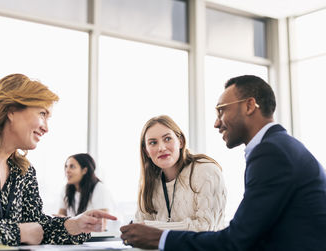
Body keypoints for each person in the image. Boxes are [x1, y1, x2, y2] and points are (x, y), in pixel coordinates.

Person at [120, 75, 326, 250]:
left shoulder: (271, 153)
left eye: (221, 110)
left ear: (249, 106)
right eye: (152, 143)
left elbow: (237, 239)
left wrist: (158, 237)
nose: (216, 122)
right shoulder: (277, 147)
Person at [0, 73, 116, 246]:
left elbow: (36, 227)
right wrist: (18, 232)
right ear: (12, 110)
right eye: (42, 114)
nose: (46, 128)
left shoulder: (23, 170)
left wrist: (73, 225)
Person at [134, 115, 226, 231]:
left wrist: (152, 227)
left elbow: (206, 227)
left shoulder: (206, 171)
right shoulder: (148, 181)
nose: (161, 148)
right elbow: (140, 229)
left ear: (181, 141)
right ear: (146, 151)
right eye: (153, 143)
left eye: (167, 139)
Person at [56, 153, 114, 223]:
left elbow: (101, 224)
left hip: (96, 234)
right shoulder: (65, 189)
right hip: (75, 233)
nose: (67, 171)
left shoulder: (99, 189)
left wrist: (69, 222)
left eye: (72, 167)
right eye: (66, 166)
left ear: (84, 170)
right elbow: (60, 218)